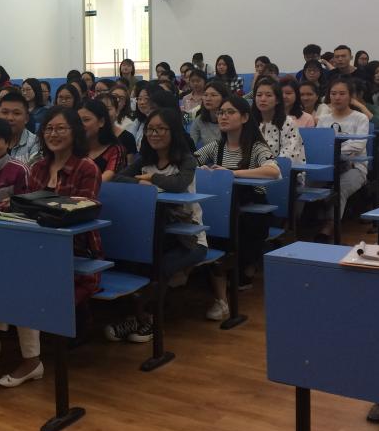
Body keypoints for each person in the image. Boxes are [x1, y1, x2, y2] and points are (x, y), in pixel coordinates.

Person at [0, 107, 102, 388]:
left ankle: (12, 349)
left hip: (74, 251)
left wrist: (41, 210)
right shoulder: (39, 167)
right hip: (37, 247)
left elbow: (84, 211)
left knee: (23, 280)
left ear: (74, 132)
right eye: (49, 129)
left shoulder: (87, 168)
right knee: (1, 271)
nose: (53, 134)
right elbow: (27, 211)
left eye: (60, 128)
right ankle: (5, 345)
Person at [105, 108, 204, 342]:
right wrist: (141, 182)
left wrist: (151, 178)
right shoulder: (145, 159)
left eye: (161, 129)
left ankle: (147, 319)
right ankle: (137, 317)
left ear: (173, 131)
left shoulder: (186, 159)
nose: (154, 134)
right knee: (132, 261)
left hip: (188, 239)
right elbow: (118, 178)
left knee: (159, 267)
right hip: (153, 233)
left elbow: (179, 184)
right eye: (150, 129)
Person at [195, 95, 280, 320]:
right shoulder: (216, 146)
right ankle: (220, 291)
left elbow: (273, 171)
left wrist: (232, 173)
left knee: (221, 234)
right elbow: (190, 163)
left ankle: (223, 298)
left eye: (230, 112)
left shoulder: (256, 147)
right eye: (221, 112)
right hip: (221, 209)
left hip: (250, 211)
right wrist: (202, 170)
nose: (223, 116)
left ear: (244, 117)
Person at [316, 78, 370, 240]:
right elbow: (318, 144)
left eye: (342, 93)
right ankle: (292, 223)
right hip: (328, 166)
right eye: (333, 94)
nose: (337, 97)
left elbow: (358, 145)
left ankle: (329, 225)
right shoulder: (324, 119)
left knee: (340, 188)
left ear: (350, 96)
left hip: (355, 166)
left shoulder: (360, 118)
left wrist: (333, 151)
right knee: (300, 182)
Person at [252, 79, 306, 163]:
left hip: (281, 168)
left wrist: (267, 165)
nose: (263, 99)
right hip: (253, 169)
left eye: (268, 95)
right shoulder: (250, 122)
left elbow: (289, 154)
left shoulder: (288, 123)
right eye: (259, 95)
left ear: (277, 100)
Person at [78, 98, 124, 181]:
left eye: (86, 120)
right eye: (78, 121)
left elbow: (107, 178)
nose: (81, 125)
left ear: (101, 122)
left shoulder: (115, 150)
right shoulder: (73, 147)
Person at [0, 91, 39, 165]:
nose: (10, 118)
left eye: (16, 113)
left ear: (26, 118)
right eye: (5, 112)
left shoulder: (35, 143)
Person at [96, 91, 138, 160]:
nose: (103, 113)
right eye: (99, 109)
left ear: (117, 111)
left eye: (107, 109)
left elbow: (130, 164)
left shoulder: (127, 138)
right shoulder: (89, 136)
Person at [190, 81, 229, 148]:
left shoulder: (231, 118)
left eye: (213, 95)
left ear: (224, 98)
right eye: (205, 95)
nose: (208, 99)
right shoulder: (199, 120)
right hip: (208, 154)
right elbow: (191, 144)